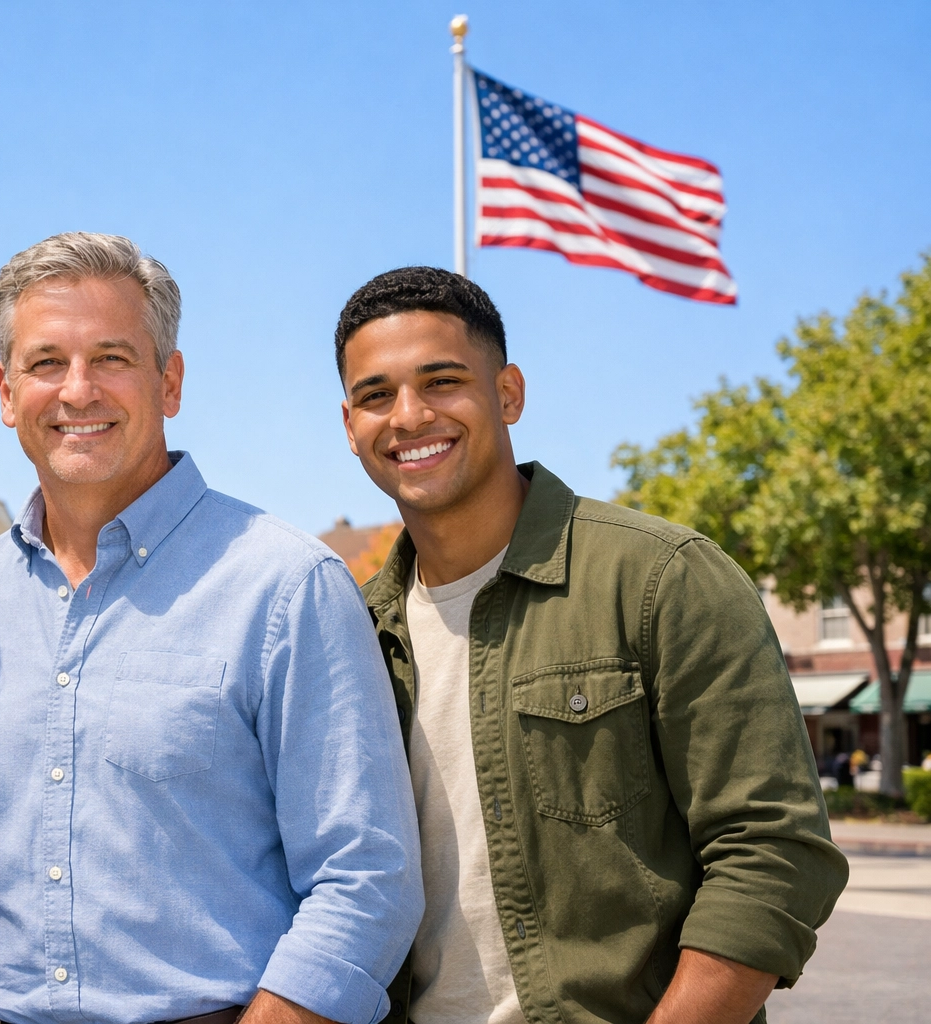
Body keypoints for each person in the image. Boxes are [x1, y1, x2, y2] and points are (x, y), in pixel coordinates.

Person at [0, 232, 422, 1024]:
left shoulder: (286, 586)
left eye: (112, 358)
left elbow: (366, 879)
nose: (77, 391)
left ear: (170, 380)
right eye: (46, 362)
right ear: (7, 391)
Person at [334, 267, 848, 1024]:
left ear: (508, 393)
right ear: (350, 426)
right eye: (377, 395)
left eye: (442, 381)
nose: (408, 416)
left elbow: (773, 855)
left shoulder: (664, 579)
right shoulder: (352, 635)